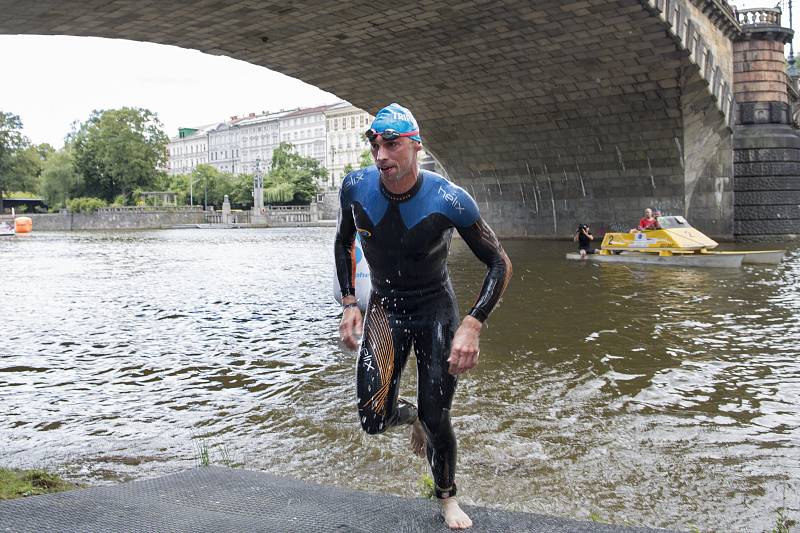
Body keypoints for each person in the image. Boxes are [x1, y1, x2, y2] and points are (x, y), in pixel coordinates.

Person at [334, 103, 512, 530]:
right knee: (373, 418)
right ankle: (410, 414)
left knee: (438, 418)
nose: (381, 156)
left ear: (415, 147)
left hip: (435, 310)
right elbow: (342, 243)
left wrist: (472, 323)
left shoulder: (449, 198)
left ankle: (447, 497)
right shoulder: (355, 188)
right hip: (385, 309)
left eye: (392, 145)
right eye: (375, 145)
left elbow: (499, 262)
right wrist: (348, 303)